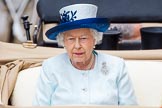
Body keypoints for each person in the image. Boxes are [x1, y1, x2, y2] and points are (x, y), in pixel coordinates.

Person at [33, 4, 137, 106]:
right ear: (63, 41)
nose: (77, 46)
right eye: (71, 39)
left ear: (94, 39)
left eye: (83, 38)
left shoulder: (117, 66)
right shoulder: (51, 67)